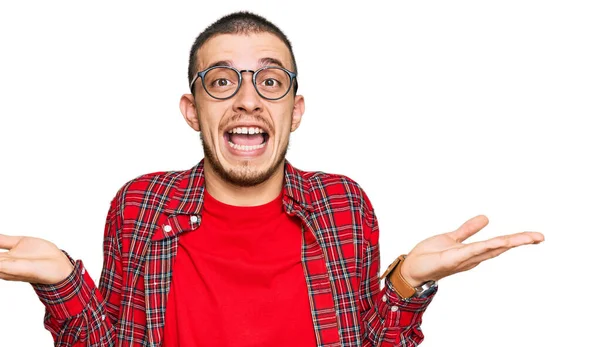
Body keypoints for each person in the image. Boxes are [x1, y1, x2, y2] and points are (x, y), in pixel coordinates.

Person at [0, 11, 544, 347]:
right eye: (221, 81)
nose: (246, 99)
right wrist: (60, 283)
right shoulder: (140, 204)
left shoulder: (343, 205)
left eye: (269, 80)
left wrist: (405, 286)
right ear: (192, 110)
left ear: (296, 109)